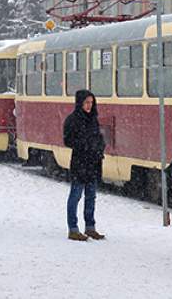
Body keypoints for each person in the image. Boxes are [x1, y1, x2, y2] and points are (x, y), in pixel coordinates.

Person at [63, 89, 105, 242]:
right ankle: (73, 229)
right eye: (86, 102)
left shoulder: (93, 119)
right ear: (80, 102)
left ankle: (90, 227)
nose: (89, 106)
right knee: (76, 195)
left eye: (91, 103)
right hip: (80, 163)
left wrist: (100, 147)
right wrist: (85, 145)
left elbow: (98, 137)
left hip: (92, 163)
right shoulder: (73, 120)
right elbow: (68, 140)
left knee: (91, 196)